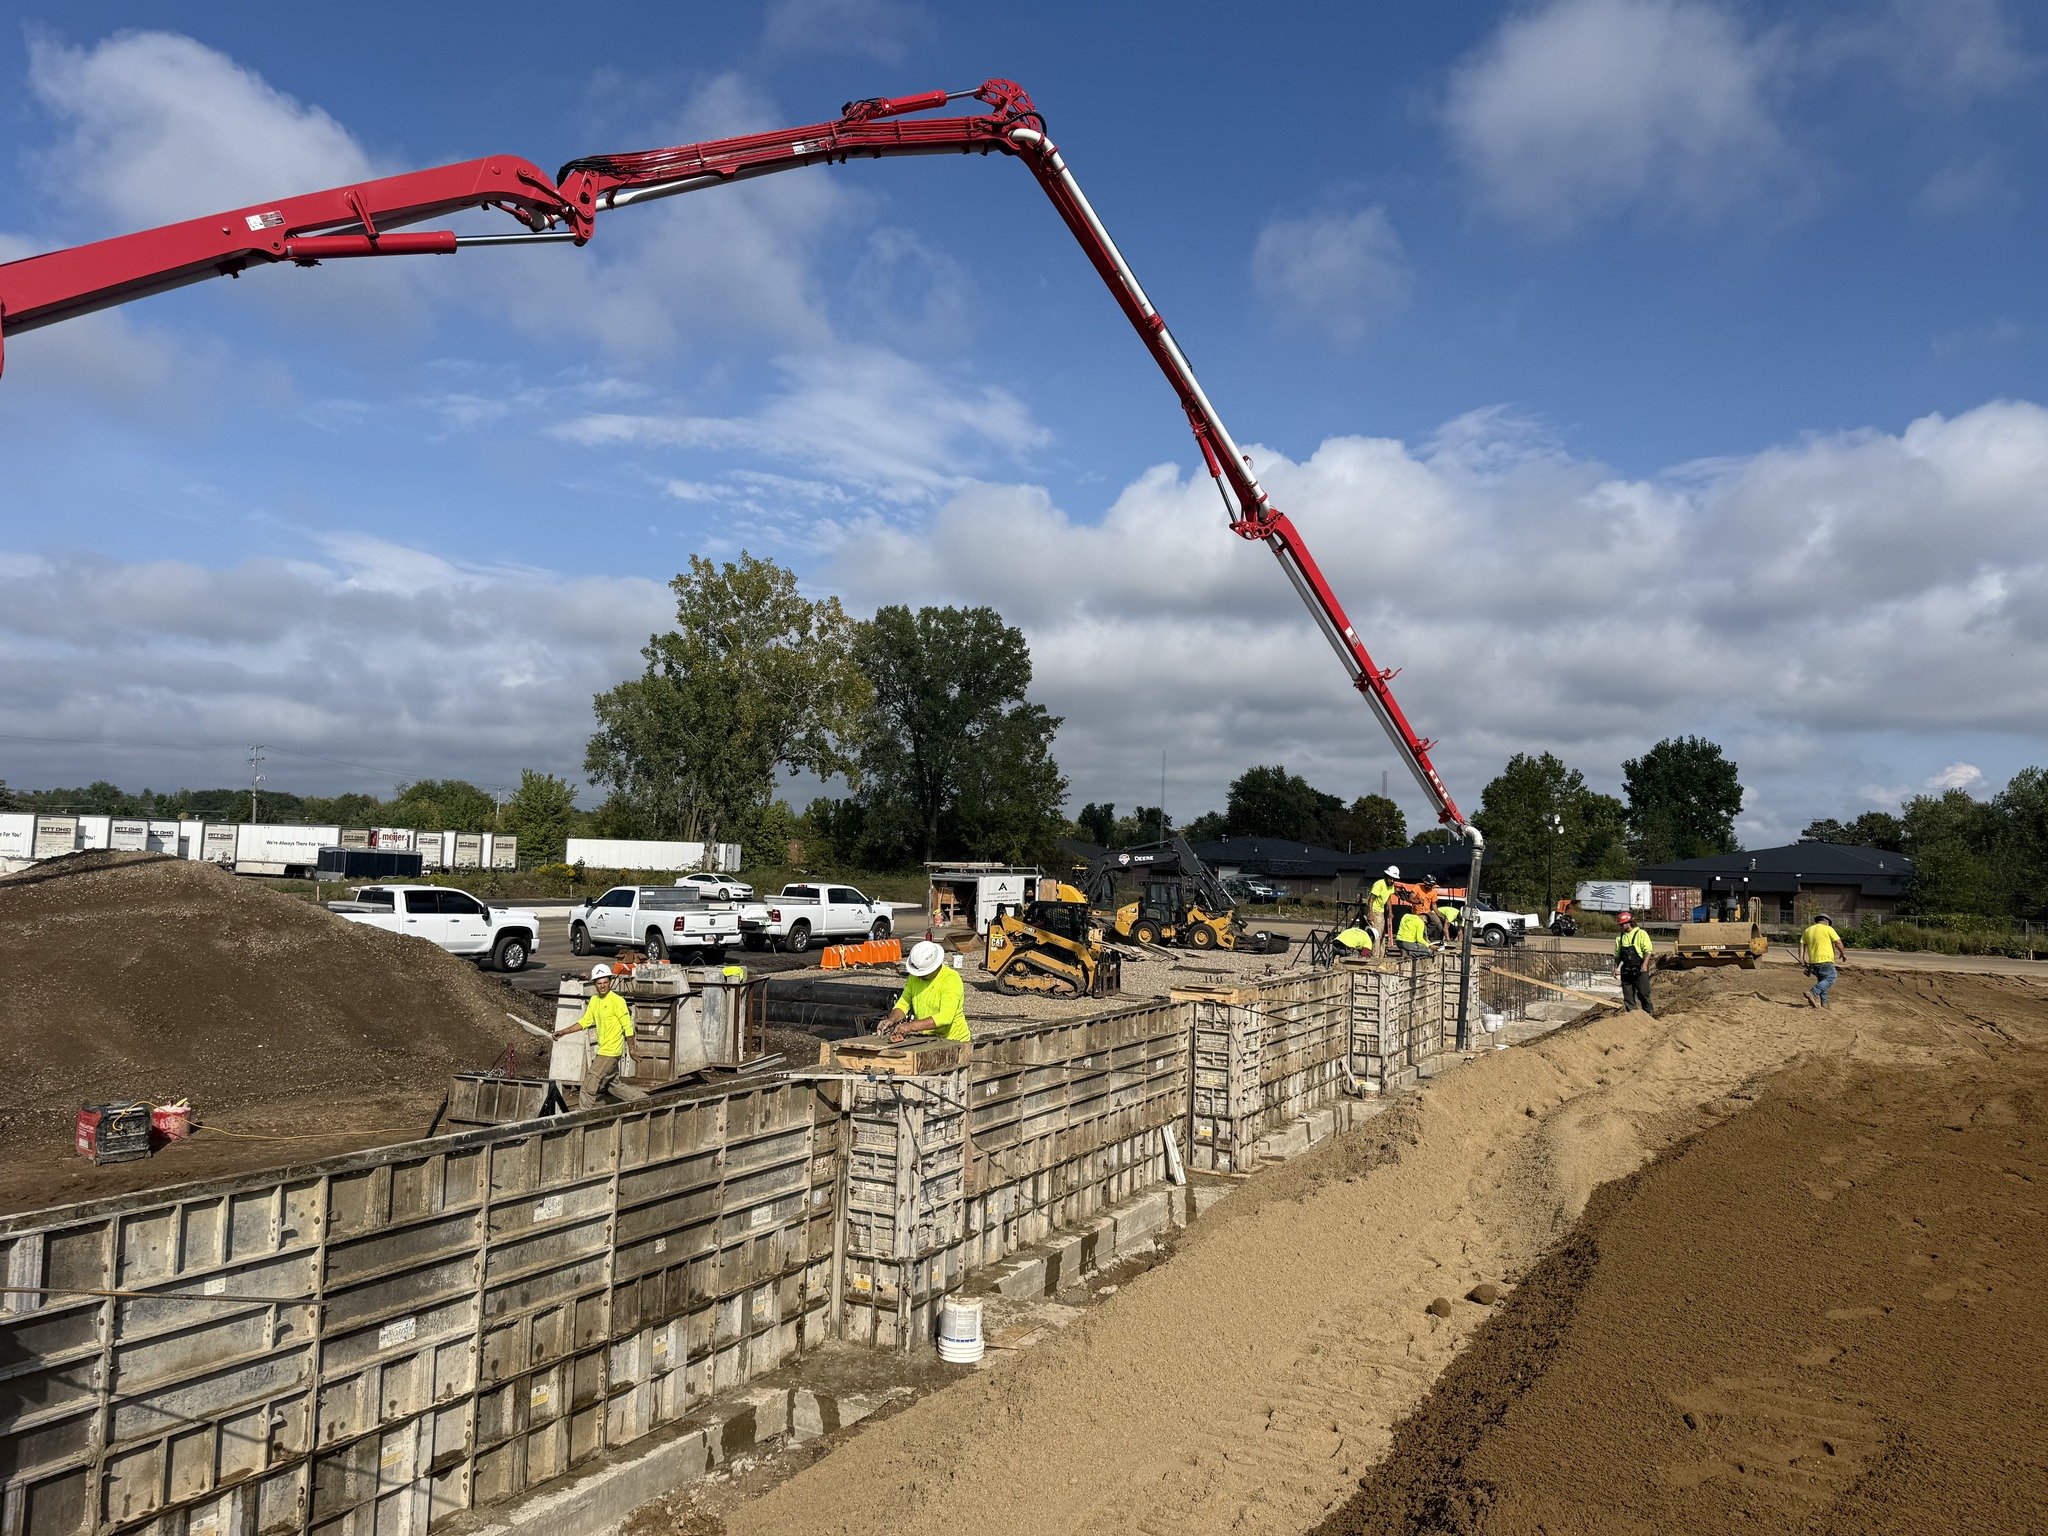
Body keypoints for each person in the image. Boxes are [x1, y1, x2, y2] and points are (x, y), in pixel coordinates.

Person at [555, 963, 637, 1103]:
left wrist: (632, 1049)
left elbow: (628, 1027)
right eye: (599, 983)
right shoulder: (594, 1000)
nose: (603, 986)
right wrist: (564, 1031)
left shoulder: (618, 1001)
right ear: (595, 984)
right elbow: (584, 1022)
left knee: (589, 1085)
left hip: (611, 1051)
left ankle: (582, 1120)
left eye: (605, 982)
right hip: (603, 1049)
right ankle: (644, 1101)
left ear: (610, 982)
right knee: (612, 1085)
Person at [884, 939, 970, 1044]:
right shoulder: (914, 977)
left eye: (924, 974)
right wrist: (891, 1019)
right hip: (927, 1037)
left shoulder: (950, 979)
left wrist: (910, 1026)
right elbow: (904, 1002)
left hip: (954, 1039)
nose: (920, 976)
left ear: (935, 966)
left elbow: (945, 1017)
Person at [1801, 912, 1847, 1007]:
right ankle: (1812, 992)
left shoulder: (1808, 930)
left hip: (1813, 962)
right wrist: (1843, 953)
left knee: (1822, 981)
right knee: (1831, 977)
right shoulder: (1828, 929)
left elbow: (1802, 944)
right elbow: (1838, 942)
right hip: (1825, 960)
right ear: (1826, 921)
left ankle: (1824, 1004)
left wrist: (1801, 958)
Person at [1613, 910, 1654, 1015]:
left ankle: (1648, 1014)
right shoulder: (1619, 937)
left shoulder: (1641, 934)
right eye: (1620, 925)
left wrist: (1645, 964)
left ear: (1629, 923)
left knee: (1643, 993)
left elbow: (1648, 951)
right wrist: (1616, 968)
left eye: (1622, 924)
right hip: (1626, 970)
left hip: (1640, 969)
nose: (1621, 927)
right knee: (1628, 996)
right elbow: (1617, 955)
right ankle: (1632, 1016)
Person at [1367, 865, 1399, 948]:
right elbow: (1370, 899)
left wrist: (1390, 911)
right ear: (1386, 876)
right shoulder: (1379, 884)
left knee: (1382, 934)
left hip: (1381, 911)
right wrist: (1370, 913)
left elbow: (1388, 898)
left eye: (1393, 879)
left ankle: (1380, 956)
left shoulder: (1390, 886)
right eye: (1390, 878)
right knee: (1376, 934)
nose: (1392, 881)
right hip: (1374, 910)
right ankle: (1375, 957)